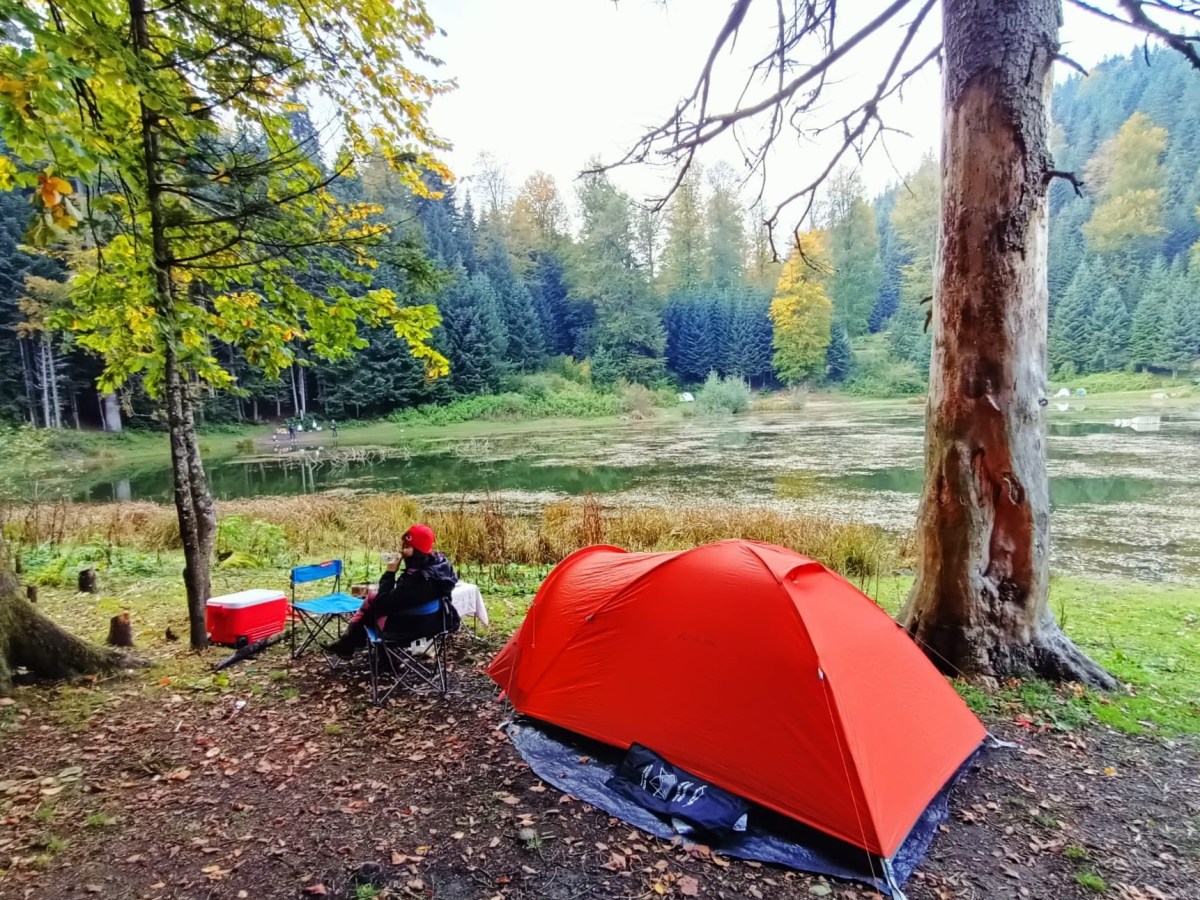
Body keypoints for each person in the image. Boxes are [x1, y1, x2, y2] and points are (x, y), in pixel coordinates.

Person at [322, 524, 458, 659]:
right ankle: (352, 644)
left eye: (406, 547)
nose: (402, 551)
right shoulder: (440, 565)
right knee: (371, 600)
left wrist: (390, 572)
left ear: (417, 550)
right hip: (436, 623)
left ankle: (353, 645)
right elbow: (402, 598)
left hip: (410, 629)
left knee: (371, 605)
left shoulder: (417, 580)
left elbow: (382, 604)